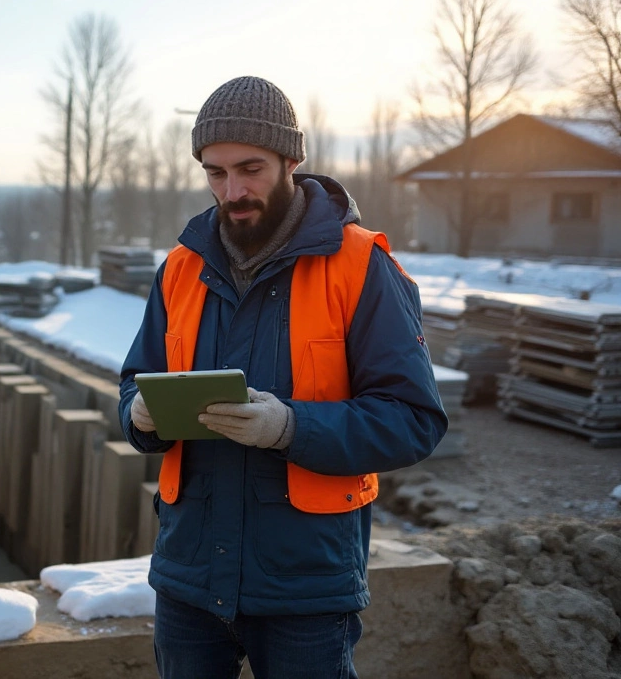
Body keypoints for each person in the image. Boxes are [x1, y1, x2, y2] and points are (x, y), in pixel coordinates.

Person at [119, 76, 447, 679]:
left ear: (291, 160)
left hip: (306, 587)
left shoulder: (359, 266)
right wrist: (139, 414)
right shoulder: (179, 269)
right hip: (189, 577)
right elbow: (135, 382)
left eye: (251, 169)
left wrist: (290, 427)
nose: (233, 190)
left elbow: (414, 420)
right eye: (216, 173)